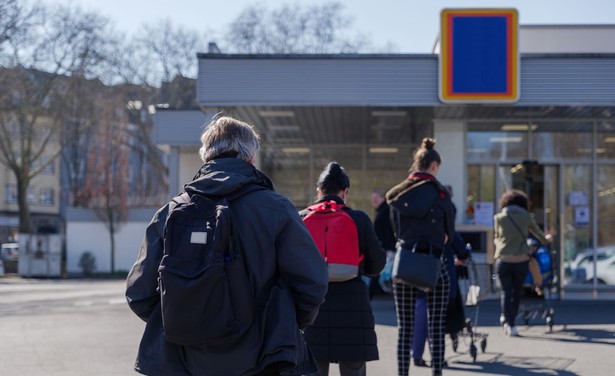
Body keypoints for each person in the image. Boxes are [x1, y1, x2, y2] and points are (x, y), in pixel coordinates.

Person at [125, 116, 329, 376]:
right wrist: (284, 322)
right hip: (263, 357)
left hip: (185, 359)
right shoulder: (276, 208)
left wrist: (184, 318)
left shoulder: (171, 212)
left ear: (206, 156)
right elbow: (311, 282)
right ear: (250, 157)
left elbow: (139, 292)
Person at [301, 162, 386, 376]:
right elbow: (378, 264)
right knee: (353, 368)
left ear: (318, 190)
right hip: (353, 308)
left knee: (314, 367)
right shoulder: (359, 219)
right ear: (345, 191)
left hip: (312, 306)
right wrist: (357, 266)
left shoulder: (300, 218)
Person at [386, 138, 455, 376]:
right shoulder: (441, 194)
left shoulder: (399, 193)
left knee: (405, 327)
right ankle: (436, 372)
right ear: (434, 165)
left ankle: (403, 373)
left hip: (405, 263)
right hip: (434, 264)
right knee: (436, 326)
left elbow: (395, 229)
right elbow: (450, 234)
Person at [493, 190, 550, 337]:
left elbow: (497, 238)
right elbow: (540, 236)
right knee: (517, 292)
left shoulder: (499, 218)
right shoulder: (526, 217)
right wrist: (546, 239)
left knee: (506, 292)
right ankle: (512, 325)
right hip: (521, 260)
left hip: (503, 260)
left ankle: (507, 321)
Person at [369, 189, 397, 297]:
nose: (374, 201)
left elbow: (388, 231)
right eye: (372, 199)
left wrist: (390, 248)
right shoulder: (383, 211)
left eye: (376, 198)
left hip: (386, 249)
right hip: (383, 248)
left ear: (382, 198)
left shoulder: (385, 211)